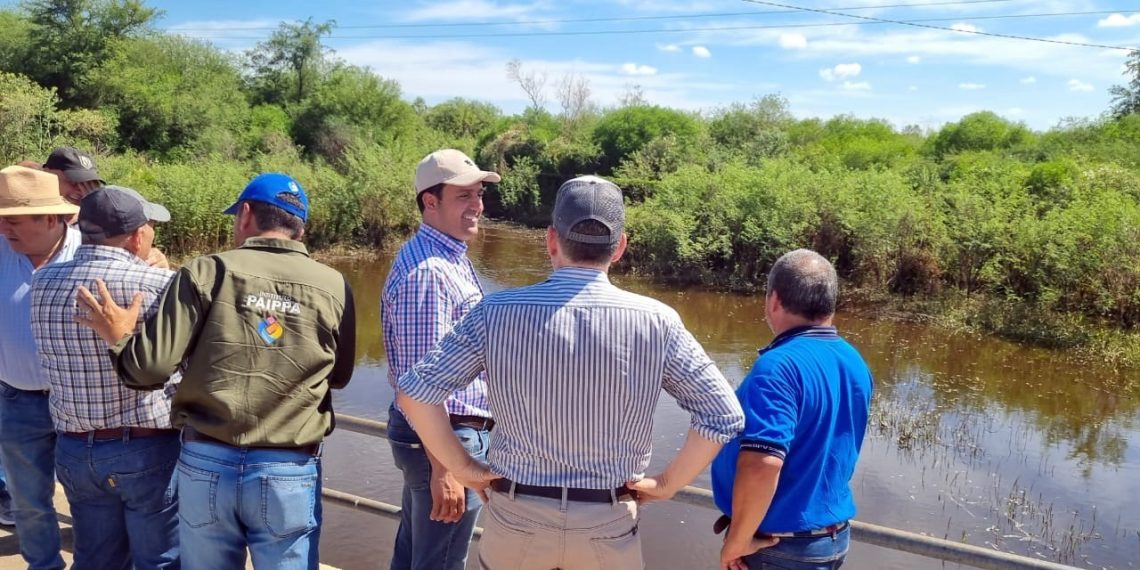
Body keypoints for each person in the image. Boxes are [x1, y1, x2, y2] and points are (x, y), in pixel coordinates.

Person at [396, 175, 745, 570]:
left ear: (550, 240)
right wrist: (666, 485)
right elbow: (723, 414)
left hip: (516, 518)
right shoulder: (658, 321)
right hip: (608, 524)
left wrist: (464, 469)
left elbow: (415, 393)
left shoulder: (496, 312)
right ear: (620, 248)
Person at [75, 173, 357, 569]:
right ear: (300, 227)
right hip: (288, 470)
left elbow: (148, 371)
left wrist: (121, 336)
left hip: (206, 463)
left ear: (245, 214)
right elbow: (340, 375)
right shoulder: (336, 285)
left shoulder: (205, 272)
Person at [30, 186, 180, 569]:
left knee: (96, 559)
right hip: (146, 447)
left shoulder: (42, 283)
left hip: (76, 450)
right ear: (136, 234)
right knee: (159, 561)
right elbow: (181, 367)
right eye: (150, 226)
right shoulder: (159, 286)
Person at [710, 249, 874, 570]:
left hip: (779, 546)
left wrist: (738, 540)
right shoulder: (855, 362)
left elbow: (763, 463)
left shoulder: (777, 367)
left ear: (774, 300)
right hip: (831, 539)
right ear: (831, 303)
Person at [382, 149, 500, 570]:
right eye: (464, 196)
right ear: (430, 202)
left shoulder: (447, 257)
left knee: (417, 554)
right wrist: (446, 468)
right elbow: (420, 384)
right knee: (440, 562)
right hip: (446, 439)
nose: (478, 206)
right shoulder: (430, 273)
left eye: (479, 194)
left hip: (441, 438)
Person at [0, 165, 80, 570]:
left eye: (13, 221)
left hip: (81, 402)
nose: (5, 229)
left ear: (51, 218)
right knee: (28, 500)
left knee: (89, 498)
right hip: (16, 400)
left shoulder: (90, 251)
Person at [42, 146, 169, 269]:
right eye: (73, 182)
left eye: (89, 184)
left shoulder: (106, 222)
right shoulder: (29, 220)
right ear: (46, 173)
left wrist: (155, 263)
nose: (80, 190)